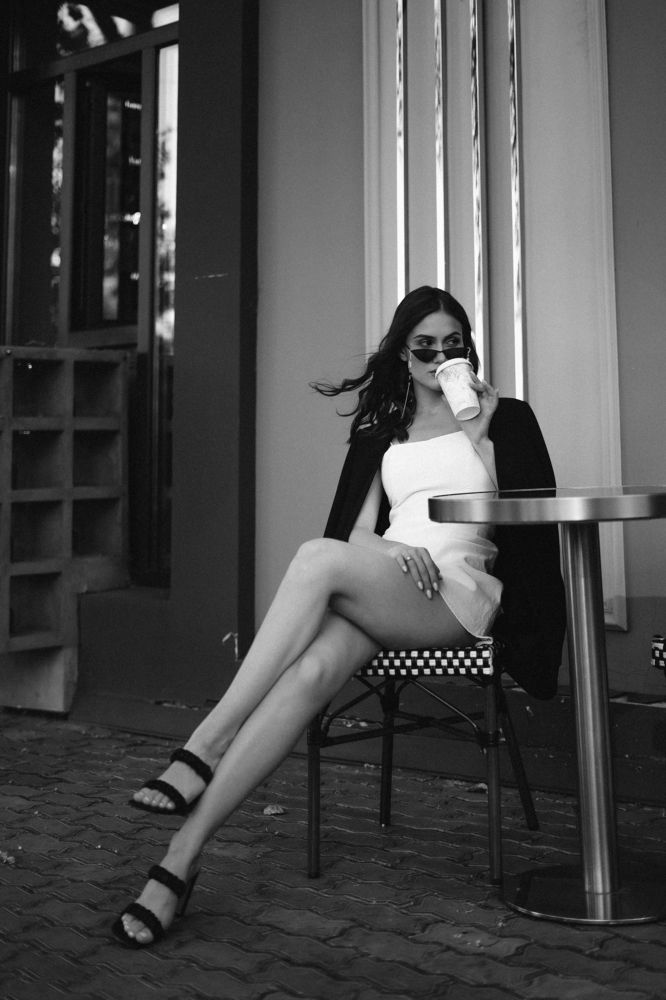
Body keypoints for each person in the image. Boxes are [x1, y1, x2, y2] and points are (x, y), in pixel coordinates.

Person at [112, 286, 565, 948]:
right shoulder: (382, 428)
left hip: (459, 595)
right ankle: (180, 859)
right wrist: (392, 549)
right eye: (424, 346)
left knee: (314, 560)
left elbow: (522, 519)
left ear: (468, 350)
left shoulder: (507, 418)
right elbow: (353, 532)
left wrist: (480, 433)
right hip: (391, 585)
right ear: (402, 351)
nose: (439, 357)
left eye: (453, 345)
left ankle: (206, 743)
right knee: (310, 671)